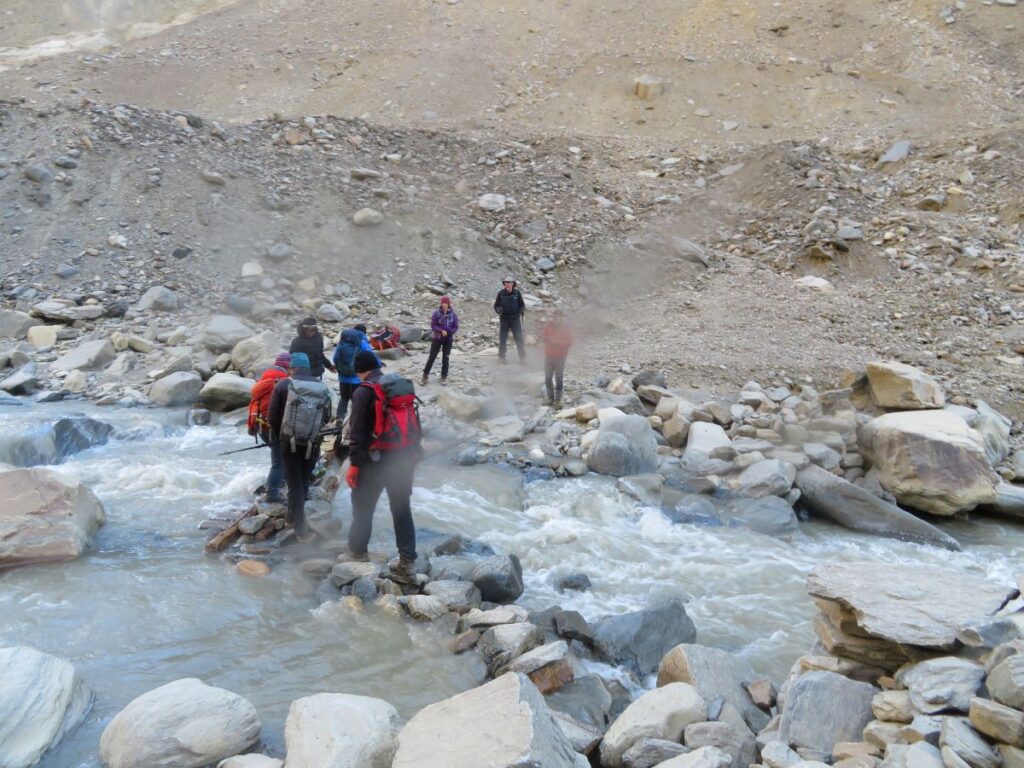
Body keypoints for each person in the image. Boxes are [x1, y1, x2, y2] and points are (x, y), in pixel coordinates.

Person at [345, 351, 420, 581]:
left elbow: (357, 434)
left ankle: (358, 553)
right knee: (401, 508)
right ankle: (407, 561)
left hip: (373, 462)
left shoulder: (363, 392)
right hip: (402, 460)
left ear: (359, 370)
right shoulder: (396, 387)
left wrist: (355, 465)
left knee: (363, 506)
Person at [268, 352, 333, 537]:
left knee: (293, 480)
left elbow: (273, 416)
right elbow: (327, 416)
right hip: (313, 441)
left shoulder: (283, 385)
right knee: (304, 479)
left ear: (291, 367)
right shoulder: (322, 387)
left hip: (289, 441)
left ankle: (296, 522)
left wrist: (282, 434)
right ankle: (295, 517)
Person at [247, 351, 291, 503]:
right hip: (273, 426)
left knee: (280, 455)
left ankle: (278, 481)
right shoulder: (283, 382)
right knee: (279, 460)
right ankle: (272, 493)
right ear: (288, 367)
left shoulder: (266, 378)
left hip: (261, 426)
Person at [333, 324, 376, 423]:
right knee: (356, 401)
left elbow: (335, 358)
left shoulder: (342, 342)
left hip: (343, 378)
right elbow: (371, 358)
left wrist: (340, 370)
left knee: (344, 398)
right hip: (357, 379)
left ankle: (339, 418)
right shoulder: (363, 343)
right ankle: (355, 421)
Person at [422, 295, 459, 385]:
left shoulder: (453, 315)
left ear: (449, 304)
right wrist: (441, 330)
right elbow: (433, 325)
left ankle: (444, 377)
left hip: (448, 339)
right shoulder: (437, 313)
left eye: (446, 303)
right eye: (443, 303)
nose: (445, 305)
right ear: (441, 304)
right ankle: (425, 375)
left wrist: (449, 332)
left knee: (445, 359)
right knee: (432, 357)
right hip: (437, 339)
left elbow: (456, 327)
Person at [541, 309, 573, 406]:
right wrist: (545, 338)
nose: (553, 318)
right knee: (547, 378)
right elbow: (543, 336)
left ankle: (558, 399)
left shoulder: (565, 328)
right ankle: (550, 397)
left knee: (559, 378)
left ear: (560, 317)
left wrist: (555, 341)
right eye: (552, 316)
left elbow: (569, 342)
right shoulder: (549, 326)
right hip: (548, 356)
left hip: (560, 357)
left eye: (555, 316)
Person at [493, 276, 526, 363]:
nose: (507, 284)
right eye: (506, 282)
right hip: (504, 319)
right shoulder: (500, 294)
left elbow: (522, 305)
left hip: (515, 319)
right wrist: (498, 310)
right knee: (503, 339)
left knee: (519, 339)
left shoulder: (517, 293)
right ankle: (502, 358)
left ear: (513, 284)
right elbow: (496, 306)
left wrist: (522, 310)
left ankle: (522, 358)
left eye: (509, 282)